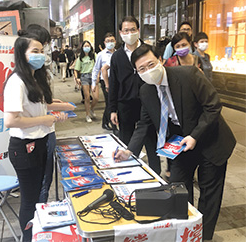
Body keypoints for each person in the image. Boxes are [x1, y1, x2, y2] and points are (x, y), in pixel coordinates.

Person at [114, 44, 236, 241]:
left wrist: (195, 136)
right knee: (177, 187)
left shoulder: (188, 75)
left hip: (210, 137)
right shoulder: (146, 91)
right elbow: (144, 124)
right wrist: (129, 151)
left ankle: (202, 236)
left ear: (161, 60)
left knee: (209, 192)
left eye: (150, 64)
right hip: (181, 141)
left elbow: (213, 107)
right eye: (141, 69)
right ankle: (184, 230)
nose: (148, 71)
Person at [4, 34, 70, 241]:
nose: (40, 55)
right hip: (24, 148)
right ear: (21, 55)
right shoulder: (17, 82)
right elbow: (11, 121)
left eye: (41, 51)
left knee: (38, 196)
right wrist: (45, 119)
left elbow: (38, 107)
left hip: (39, 143)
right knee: (29, 199)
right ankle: (27, 238)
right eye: (35, 51)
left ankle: (37, 235)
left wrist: (53, 113)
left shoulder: (33, 78)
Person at [108, 16, 160, 175]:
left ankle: (156, 174)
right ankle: (130, 173)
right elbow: (114, 84)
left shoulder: (148, 51)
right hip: (126, 105)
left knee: (152, 142)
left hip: (148, 103)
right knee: (127, 142)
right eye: (126, 30)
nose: (129, 33)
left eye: (132, 30)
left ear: (138, 30)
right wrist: (112, 109)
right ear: (120, 33)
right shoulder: (117, 56)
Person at [91, 32, 116, 130]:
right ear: (104, 43)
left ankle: (105, 122)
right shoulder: (101, 55)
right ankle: (113, 126)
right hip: (105, 81)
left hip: (116, 80)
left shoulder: (118, 53)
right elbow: (96, 69)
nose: (110, 43)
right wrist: (93, 83)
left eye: (112, 41)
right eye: (108, 41)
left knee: (112, 102)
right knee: (110, 102)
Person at [74, 40, 98, 123]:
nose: (87, 47)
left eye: (88, 46)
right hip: (85, 77)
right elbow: (76, 69)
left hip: (94, 77)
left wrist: (98, 76)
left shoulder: (95, 56)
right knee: (87, 97)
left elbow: (98, 66)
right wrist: (77, 78)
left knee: (96, 97)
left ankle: (91, 109)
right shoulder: (80, 58)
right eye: (85, 46)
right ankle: (87, 114)